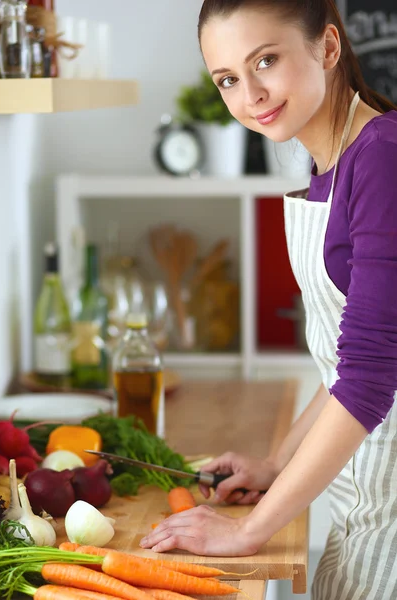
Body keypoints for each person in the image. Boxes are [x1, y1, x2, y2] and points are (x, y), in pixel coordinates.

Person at [140, 1, 397, 598]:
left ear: (327, 48)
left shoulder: (380, 157)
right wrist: (277, 464)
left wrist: (249, 532)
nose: (250, 94)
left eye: (266, 61)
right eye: (228, 78)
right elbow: (344, 363)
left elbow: (370, 375)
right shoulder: (331, 160)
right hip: (366, 490)